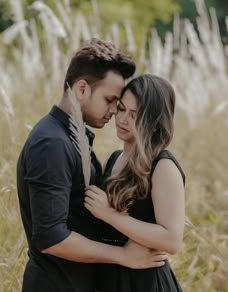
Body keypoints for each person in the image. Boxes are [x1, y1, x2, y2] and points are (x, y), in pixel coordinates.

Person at [17, 40, 167, 292]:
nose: (114, 112)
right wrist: (123, 255)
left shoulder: (72, 137)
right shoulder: (51, 143)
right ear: (82, 89)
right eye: (110, 100)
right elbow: (51, 238)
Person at [85, 74, 185, 292]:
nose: (122, 119)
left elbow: (172, 240)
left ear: (153, 120)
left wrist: (109, 214)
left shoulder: (163, 166)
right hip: (111, 277)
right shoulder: (114, 159)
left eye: (134, 115)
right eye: (121, 109)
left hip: (145, 282)